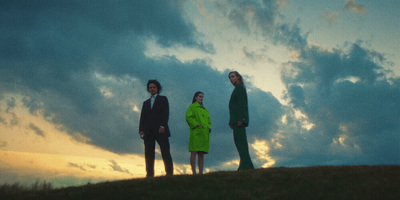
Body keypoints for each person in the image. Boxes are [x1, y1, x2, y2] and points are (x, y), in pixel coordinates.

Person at [139, 79, 174, 177]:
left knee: (165, 151)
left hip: (160, 130)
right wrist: (141, 130)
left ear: (158, 88)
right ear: (148, 89)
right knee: (149, 153)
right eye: (150, 87)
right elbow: (142, 117)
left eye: (154, 87)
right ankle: (149, 174)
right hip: (148, 131)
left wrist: (163, 125)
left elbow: (165, 113)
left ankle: (169, 173)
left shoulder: (163, 99)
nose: (152, 89)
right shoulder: (145, 103)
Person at [228, 71, 254, 170]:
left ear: (238, 77)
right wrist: (231, 121)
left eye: (233, 76)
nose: (231, 79)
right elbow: (233, 107)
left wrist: (241, 119)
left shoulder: (240, 88)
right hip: (235, 121)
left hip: (239, 121)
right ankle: (245, 164)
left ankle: (246, 165)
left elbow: (242, 105)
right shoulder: (237, 89)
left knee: (241, 143)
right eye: (230, 77)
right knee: (238, 143)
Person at [185, 91, 211, 175]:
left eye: (202, 97)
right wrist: (196, 125)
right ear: (195, 97)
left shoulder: (204, 109)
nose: (201, 98)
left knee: (201, 153)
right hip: (196, 133)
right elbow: (188, 117)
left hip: (204, 133)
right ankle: (193, 172)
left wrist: (209, 128)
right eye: (200, 96)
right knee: (194, 151)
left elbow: (208, 120)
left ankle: (200, 172)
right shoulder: (192, 107)